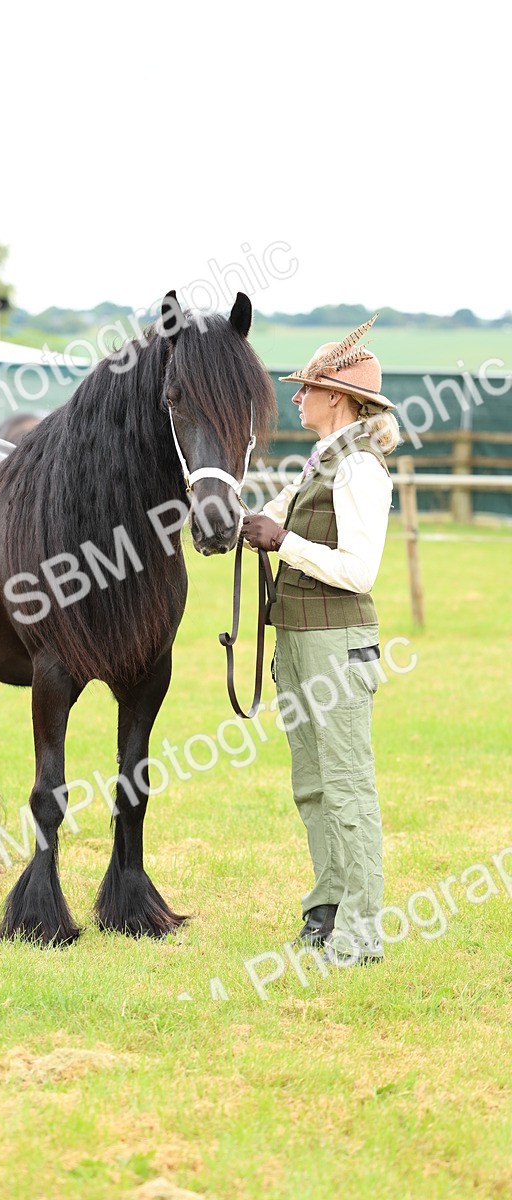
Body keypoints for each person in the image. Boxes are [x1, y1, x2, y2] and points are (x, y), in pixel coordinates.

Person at [240, 314, 402, 967]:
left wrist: (286, 544)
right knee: (312, 785)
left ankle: (363, 932)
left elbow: (359, 570)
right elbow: (269, 517)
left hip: (337, 643)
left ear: (336, 397)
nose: (297, 398)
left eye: (307, 389)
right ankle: (326, 910)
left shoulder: (360, 469)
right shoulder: (320, 462)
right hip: (301, 642)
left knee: (346, 785)